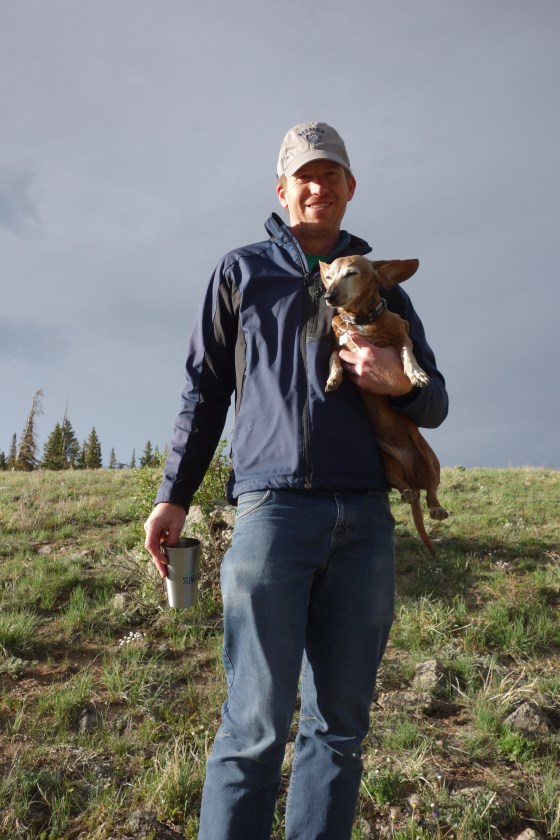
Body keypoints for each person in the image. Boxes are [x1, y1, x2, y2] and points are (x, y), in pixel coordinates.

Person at [144, 121, 448, 840]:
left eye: (331, 174)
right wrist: (172, 497)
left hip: (366, 523)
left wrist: (395, 384)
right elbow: (204, 392)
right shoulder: (241, 271)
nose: (318, 186)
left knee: (339, 729)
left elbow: (434, 401)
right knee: (253, 725)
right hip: (271, 513)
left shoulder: (382, 288)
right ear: (283, 191)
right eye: (303, 176)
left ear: (349, 189)